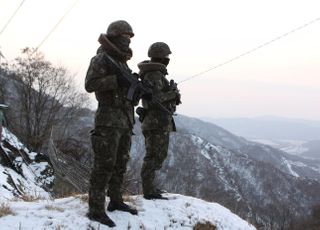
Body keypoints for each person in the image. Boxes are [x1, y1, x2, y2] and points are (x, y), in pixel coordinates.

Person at [84, 20, 138, 227]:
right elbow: (90, 84)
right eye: (125, 35)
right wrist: (115, 80)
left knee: (120, 164)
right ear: (114, 36)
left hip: (124, 121)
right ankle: (95, 210)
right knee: (104, 166)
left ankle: (115, 201)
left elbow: (125, 92)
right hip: (107, 122)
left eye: (130, 37)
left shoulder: (122, 62)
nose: (127, 40)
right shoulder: (101, 59)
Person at [137, 42, 181, 200]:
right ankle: (148, 191)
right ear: (161, 57)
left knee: (158, 156)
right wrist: (173, 94)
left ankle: (150, 187)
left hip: (159, 122)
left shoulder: (156, 74)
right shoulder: (153, 75)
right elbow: (154, 99)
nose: (168, 59)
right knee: (153, 156)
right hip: (155, 122)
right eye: (166, 56)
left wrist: (173, 95)